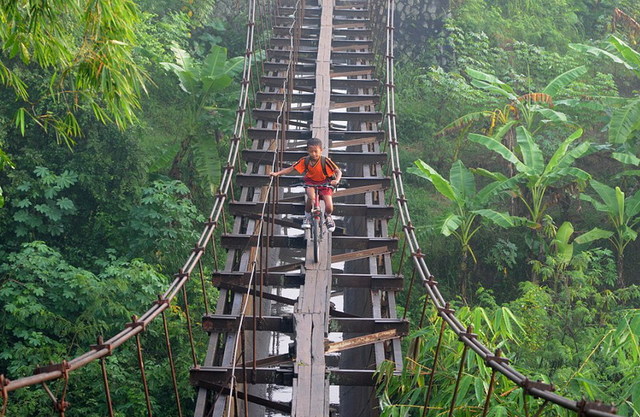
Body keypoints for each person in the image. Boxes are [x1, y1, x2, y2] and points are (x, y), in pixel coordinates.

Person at [270, 138, 342, 231]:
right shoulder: (305, 161)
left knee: (329, 206)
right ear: (307, 151)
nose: (314, 154)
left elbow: (338, 171)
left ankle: (328, 216)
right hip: (310, 182)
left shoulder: (325, 161)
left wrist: (336, 180)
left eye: (316, 151)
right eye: (311, 152)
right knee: (311, 197)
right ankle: (307, 216)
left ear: (321, 150)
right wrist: (277, 173)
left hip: (325, 182)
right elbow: (291, 168)